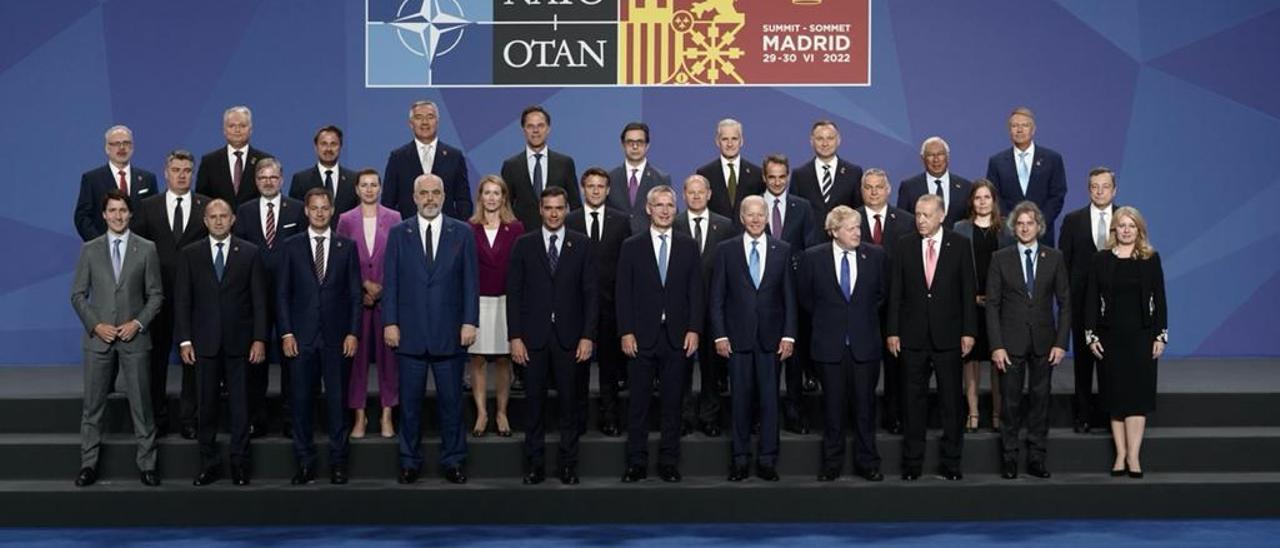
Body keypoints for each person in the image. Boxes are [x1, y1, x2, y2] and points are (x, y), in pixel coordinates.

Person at [382, 174, 479, 485]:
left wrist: (469, 321)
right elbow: (392, 281)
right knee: (409, 407)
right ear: (413, 197)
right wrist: (390, 322)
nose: (430, 198)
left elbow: (470, 282)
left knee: (452, 405)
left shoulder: (462, 232)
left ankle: (454, 461)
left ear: (444, 195)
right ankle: (409, 462)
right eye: (423, 193)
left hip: (450, 334)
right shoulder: (399, 233)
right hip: (408, 335)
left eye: (435, 192)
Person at [70, 190, 163, 487]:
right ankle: (88, 464)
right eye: (112, 211)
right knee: (93, 407)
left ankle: (147, 464)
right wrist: (96, 326)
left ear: (130, 213)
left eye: (123, 210)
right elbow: (77, 294)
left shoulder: (146, 248)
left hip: (133, 339)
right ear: (104, 215)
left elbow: (156, 295)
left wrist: (137, 323)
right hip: (99, 340)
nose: (118, 216)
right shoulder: (90, 249)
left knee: (142, 406)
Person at [174, 199, 268, 486]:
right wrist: (185, 340)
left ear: (233, 219)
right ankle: (209, 463)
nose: (218, 221)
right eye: (213, 216)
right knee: (207, 406)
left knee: (241, 407)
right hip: (203, 344)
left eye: (223, 216)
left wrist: (260, 339)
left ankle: (240, 464)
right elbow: (183, 301)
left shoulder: (250, 253)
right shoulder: (191, 254)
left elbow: (260, 302)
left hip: (240, 344)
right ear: (205, 221)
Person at [507, 186, 597, 485]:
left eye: (559, 208)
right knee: (534, 406)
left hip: (571, 339)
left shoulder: (582, 245)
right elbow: (515, 295)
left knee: (570, 407)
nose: (554, 213)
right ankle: (535, 466)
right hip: (532, 340)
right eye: (549, 208)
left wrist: (587, 336)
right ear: (540, 210)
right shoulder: (524, 244)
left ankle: (568, 466)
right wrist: (515, 337)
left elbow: (590, 295)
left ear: (567, 209)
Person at [886, 194, 976, 481]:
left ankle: (952, 463)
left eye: (926, 215)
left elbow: (967, 293)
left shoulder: (960, 245)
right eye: (917, 214)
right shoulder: (904, 245)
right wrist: (892, 330)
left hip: (948, 337)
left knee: (951, 403)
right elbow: (895, 292)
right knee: (913, 403)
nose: (920, 220)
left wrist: (969, 332)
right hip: (912, 338)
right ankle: (912, 463)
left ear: (942, 215)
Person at [276, 187, 362, 485]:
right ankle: (305, 463)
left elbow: (354, 296)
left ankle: (338, 463)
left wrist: (353, 333)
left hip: (337, 339)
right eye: (315, 208)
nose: (320, 213)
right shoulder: (291, 246)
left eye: (325, 207)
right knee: (301, 404)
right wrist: (286, 332)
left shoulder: (346, 247)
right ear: (306, 211)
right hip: (300, 339)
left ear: (332, 209)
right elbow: (283, 295)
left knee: (337, 404)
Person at [617, 185, 702, 483]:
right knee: (638, 404)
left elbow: (696, 292)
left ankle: (669, 462)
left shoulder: (688, 246)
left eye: (670, 205)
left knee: (672, 405)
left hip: (678, 338)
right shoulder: (631, 245)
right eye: (659, 205)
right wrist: (626, 331)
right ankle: (636, 463)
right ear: (648, 209)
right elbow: (623, 293)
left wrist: (694, 329)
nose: (665, 210)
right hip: (640, 337)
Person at [798, 205, 887, 482]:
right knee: (832, 410)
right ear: (834, 231)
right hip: (829, 345)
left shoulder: (875, 256)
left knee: (865, 408)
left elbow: (881, 295)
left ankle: (868, 462)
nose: (857, 233)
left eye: (858, 227)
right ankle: (831, 464)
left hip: (864, 344)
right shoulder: (812, 258)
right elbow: (806, 300)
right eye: (851, 228)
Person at [711, 195, 795, 482]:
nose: (757, 219)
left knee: (770, 403)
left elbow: (789, 299)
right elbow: (717, 298)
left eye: (762, 214)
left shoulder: (782, 249)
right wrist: (720, 334)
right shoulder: (726, 250)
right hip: (737, 339)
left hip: (772, 340)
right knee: (740, 402)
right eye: (752, 214)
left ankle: (768, 460)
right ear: (743, 218)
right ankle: (740, 459)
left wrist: (789, 336)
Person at [986, 201, 1070, 480]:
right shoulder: (1000, 258)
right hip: (1009, 344)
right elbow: (992, 306)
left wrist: (1060, 343)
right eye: (1019, 223)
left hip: (1045, 343)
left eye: (1029, 223)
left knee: (1040, 402)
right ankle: (1009, 458)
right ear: (1013, 227)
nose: (1024, 228)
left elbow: (1065, 304)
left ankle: (1037, 458)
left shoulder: (1054, 257)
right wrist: (996, 345)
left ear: (1039, 227)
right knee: (1009, 404)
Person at [130, 150, 209, 439]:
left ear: (193, 172)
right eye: (176, 169)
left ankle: (190, 418)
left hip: (197, 299)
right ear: (165, 172)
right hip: (156, 297)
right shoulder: (147, 207)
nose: (181, 175)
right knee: (156, 360)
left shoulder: (207, 207)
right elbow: (135, 251)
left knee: (193, 361)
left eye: (187, 170)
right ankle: (157, 418)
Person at [1084, 206, 1167, 479]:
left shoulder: (1150, 259)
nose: (1127, 230)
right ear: (1114, 230)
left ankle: (1134, 456)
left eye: (1132, 226)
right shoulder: (1100, 260)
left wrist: (1160, 335)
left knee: (1137, 398)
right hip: (1110, 337)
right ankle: (1120, 454)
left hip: (1142, 337)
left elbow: (1161, 299)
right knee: (1116, 398)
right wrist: (1091, 335)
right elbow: (1091, 301)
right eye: (1122, 225)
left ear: (1139, 230)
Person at [233, 157, 306, 438]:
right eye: (262, 177)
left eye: (273, 177)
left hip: (291, 297)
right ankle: (256, 419)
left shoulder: (297, 210)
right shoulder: (245, 211)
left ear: (282, 179)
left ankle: (291, 418)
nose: (268, 181)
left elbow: (303, 253)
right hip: (254, 299)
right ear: (256, 181)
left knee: (292, 363)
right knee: (256, 361)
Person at [566, 168, 632, 436]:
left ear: (608, 190)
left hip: (610, 306)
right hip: (576, 306)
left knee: (609, 367)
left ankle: (610, 417)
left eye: (600, 186)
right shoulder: (569, 220)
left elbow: (626, 266)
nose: (595, 190)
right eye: (590, 185)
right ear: (583, 188)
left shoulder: (620, 221)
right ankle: (578, 418)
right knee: (576, 368)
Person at [336, 169, 401, 439]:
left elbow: (399, 257)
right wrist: (363, 285)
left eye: (374, 185)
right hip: (357, 301)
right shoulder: (345, 219)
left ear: (381, 188)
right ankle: (359, 417)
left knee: (390, 361)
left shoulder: (395, 218)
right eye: (364, 185)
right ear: (356, 189)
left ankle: (387, 415)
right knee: (356, 362)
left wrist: (382, 288)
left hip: (387, 300)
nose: (370, 189)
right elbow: (340, 258)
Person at [761, 154, 820, 434]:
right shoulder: (754, 206)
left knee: (794, 359)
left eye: (782, 177)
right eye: (771, 177)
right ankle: (765, 414)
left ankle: (795, 411)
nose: (777, 182)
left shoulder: (802, 207)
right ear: (764, 178)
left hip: (794, 294)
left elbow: (810, 249)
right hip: (760, 297)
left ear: (788, 177)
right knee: (765, 361)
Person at [674, 174, 736, 437]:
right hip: (682, 308)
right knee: (681, 367)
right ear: (684, 195)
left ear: (709, 194)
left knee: (712, 369)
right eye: (691, 192)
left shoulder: (725, 226)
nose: (697, 196)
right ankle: (685, 416)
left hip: (714, 307)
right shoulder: (673, 223)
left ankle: (710, 416)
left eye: (701, 192)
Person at [1059, 167, 1119, 433]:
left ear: (1114, 190)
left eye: (1105, 186)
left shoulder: (1125, 219)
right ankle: (1082, 415)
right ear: (1088, 190)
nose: (1100, 191)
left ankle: (1110, 416)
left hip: (1118, 307)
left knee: (1112, 363)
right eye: (1094, 186)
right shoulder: (1073, 220)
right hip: (1082, 304)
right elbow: (1063, 264)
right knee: (1083, 363)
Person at [952, 180, 1015, 433]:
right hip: (969, 304)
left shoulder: (1007, 231)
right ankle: (974, 412)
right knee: (971, 359)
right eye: (977, 198)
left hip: (999, 306)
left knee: (998, 359)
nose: (982, 202)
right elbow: (955, 269)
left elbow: (1011, 270)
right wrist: (971, 297)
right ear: (971, 201)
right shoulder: (960, 229)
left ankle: (998, 413)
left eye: (986, 197)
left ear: (994, 200)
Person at [466, 175, 524, 437]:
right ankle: (481, 413)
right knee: (477, 359)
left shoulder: (516, 229)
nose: (491, 197)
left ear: (504, 197)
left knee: (503, 359)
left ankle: (501, 412)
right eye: (486, 193)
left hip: (505, 302)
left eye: (496, 192)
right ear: (480, 197)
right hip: (477, 302)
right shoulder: (468, 228)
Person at [857, 169, 912, 434]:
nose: (874, 192)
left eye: (879, 187)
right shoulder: (850, 219)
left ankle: (894, 417)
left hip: (896, 307)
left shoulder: (905, 221)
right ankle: (860, 419)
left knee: (895, 367)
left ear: (888, 190)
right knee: (862, 369)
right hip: (861, 308)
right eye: (869, 187)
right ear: (862, 190)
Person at [985, 107, 1067, 244]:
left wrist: (1038, 223)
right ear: (1009, 130)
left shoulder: (1052, 159)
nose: (1019, 129)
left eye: (1024, 125)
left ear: (1033, 129)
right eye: (1015, 126)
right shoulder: (997, 162)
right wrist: (1012, 224)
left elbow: (1057, 195)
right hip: (1008, 235)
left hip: (1042, 235)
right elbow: (994, 196)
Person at [382, 100, 471, 220]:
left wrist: (458, 232)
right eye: (419, 117)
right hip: (408, 232)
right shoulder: (398, 157)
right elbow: (388, 202)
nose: (425, 122)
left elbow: (463, 201)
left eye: (430, 117)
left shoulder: (454, 156)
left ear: (437, 121)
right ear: (411, 123)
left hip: (447, 233)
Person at [501, 105, 582, 233]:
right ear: (524, 130)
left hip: (559, 235)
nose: (536, 130)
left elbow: (575, 205)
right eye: (530, 126)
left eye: (540, 126)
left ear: (548, 129)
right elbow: (505, 208)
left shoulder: (565, 163)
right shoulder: (511, 166)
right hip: (522, 237)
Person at [75, 125, 158, 241]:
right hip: (104, 251)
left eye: (126, 143)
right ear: (107, 148)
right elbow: (82, 218)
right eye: (116, 144)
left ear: (132, 147)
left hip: (139, 250)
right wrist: (100, 244)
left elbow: (154, 217)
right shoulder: (92, 179)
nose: (122, 147)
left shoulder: (148, 179)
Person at [790, 120, 864, 230]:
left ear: (838, 140)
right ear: (811, 141)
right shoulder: (799, 175)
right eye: (820, 139)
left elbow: (859, 211)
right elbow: (795, 215)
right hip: (810, 244)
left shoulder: (854, 173)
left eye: (830, 138)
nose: (825, 144)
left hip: (843, 242)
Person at [194, 106, 274, 208]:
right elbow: (201, 200)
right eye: (232, 126)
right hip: (220, 222)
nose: (237, 130)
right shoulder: (209, 162)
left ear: (251, 129)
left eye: (242, 125)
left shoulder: (265, 161)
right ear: (224, 130)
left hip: (255, 222)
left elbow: (273, 197)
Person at [607, 122, 672, 233]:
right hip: (616, 244)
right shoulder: (610, 178)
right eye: (630, 142)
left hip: (647, 244)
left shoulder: (661, 179)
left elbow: (669, 214)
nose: (635, 146)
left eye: (640, 142)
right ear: (623, 145)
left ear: (647, 146)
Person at [696, 119, 764, 221]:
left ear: (741, 141)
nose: (730, 144)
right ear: (717, 142)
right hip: (717, 235)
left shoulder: (756, 174)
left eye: (734, 139)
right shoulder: (705, 174)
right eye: (725, 139)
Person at [898, 137, 971, 229]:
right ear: (923, 158)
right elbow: (902, 222)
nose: (936, 160)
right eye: (930, 155)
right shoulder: (909, 187)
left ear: (947, 157)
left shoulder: (966, 187)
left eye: (940, 154)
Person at [289, 125, 358, 220]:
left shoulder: (354, 180)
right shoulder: (301, 180)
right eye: (324, 144)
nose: (328, 149)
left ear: (340, 147)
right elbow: (295, 217)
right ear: (316, 147)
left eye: (333, 144)